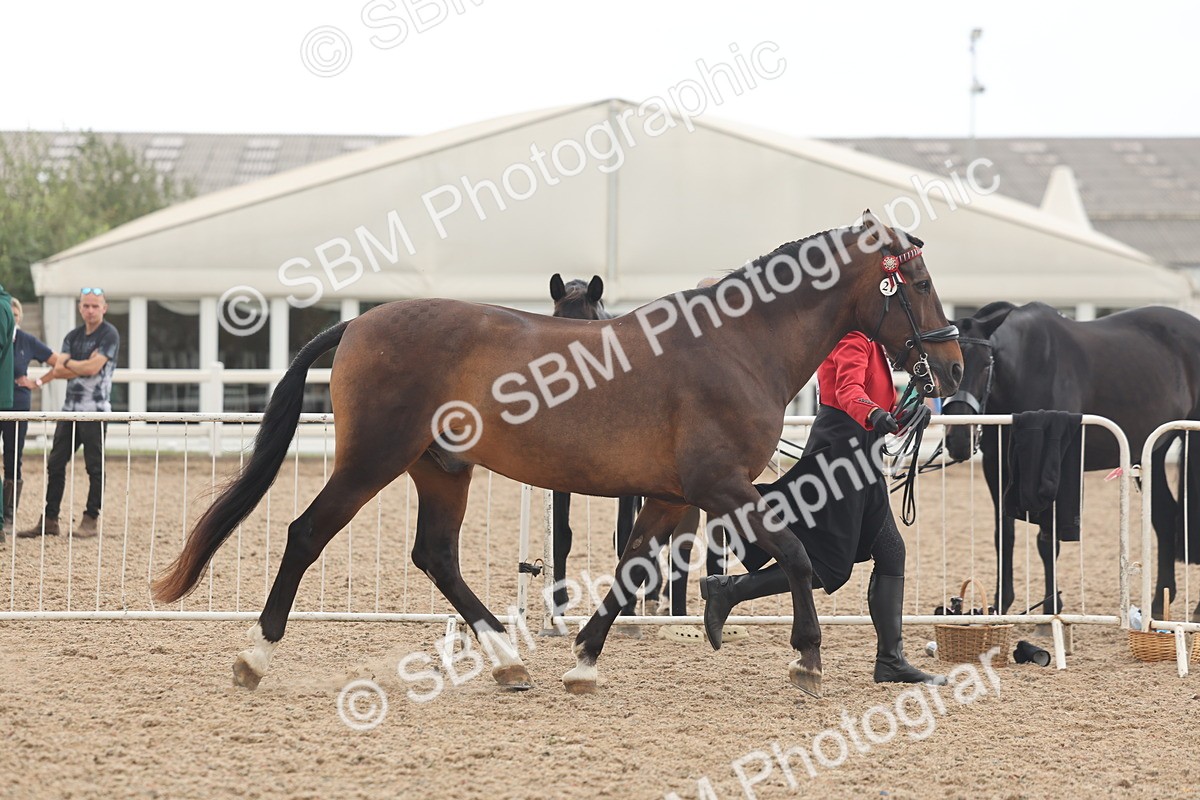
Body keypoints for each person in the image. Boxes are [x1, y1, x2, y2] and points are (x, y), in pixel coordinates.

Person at [700, 330, 946, 685]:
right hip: (840, 454)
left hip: (862, 456)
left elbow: (879, 409)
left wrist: (908, 414)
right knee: (832, 566)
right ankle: (731, 589)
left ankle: (891, 660)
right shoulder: (851, 337)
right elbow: (849, 393)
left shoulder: (874, 343)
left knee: (891, 552)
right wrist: (876, 416)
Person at [17, 288, 119, 540]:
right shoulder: (73, 336)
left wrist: (72, 364)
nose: (90, 310)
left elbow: (92, 367)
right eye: (86, 305)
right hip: (70, 410)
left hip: (95, 412)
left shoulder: (109, 334)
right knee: (55, 463)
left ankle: (90, 518)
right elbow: (60, 369)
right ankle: (50, 519)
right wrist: (81, 366)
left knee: (94, 467)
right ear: (80, 307)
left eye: (95, 306)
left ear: (104, 308)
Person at [2, 298, 59, 536]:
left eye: (16, 316)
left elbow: (57, 363)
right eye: (9, 316)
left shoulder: (26, 341)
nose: (12, 320)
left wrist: (36, 382)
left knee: (14, 458)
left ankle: (7, 514)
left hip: (17, 406)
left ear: (20, 318)